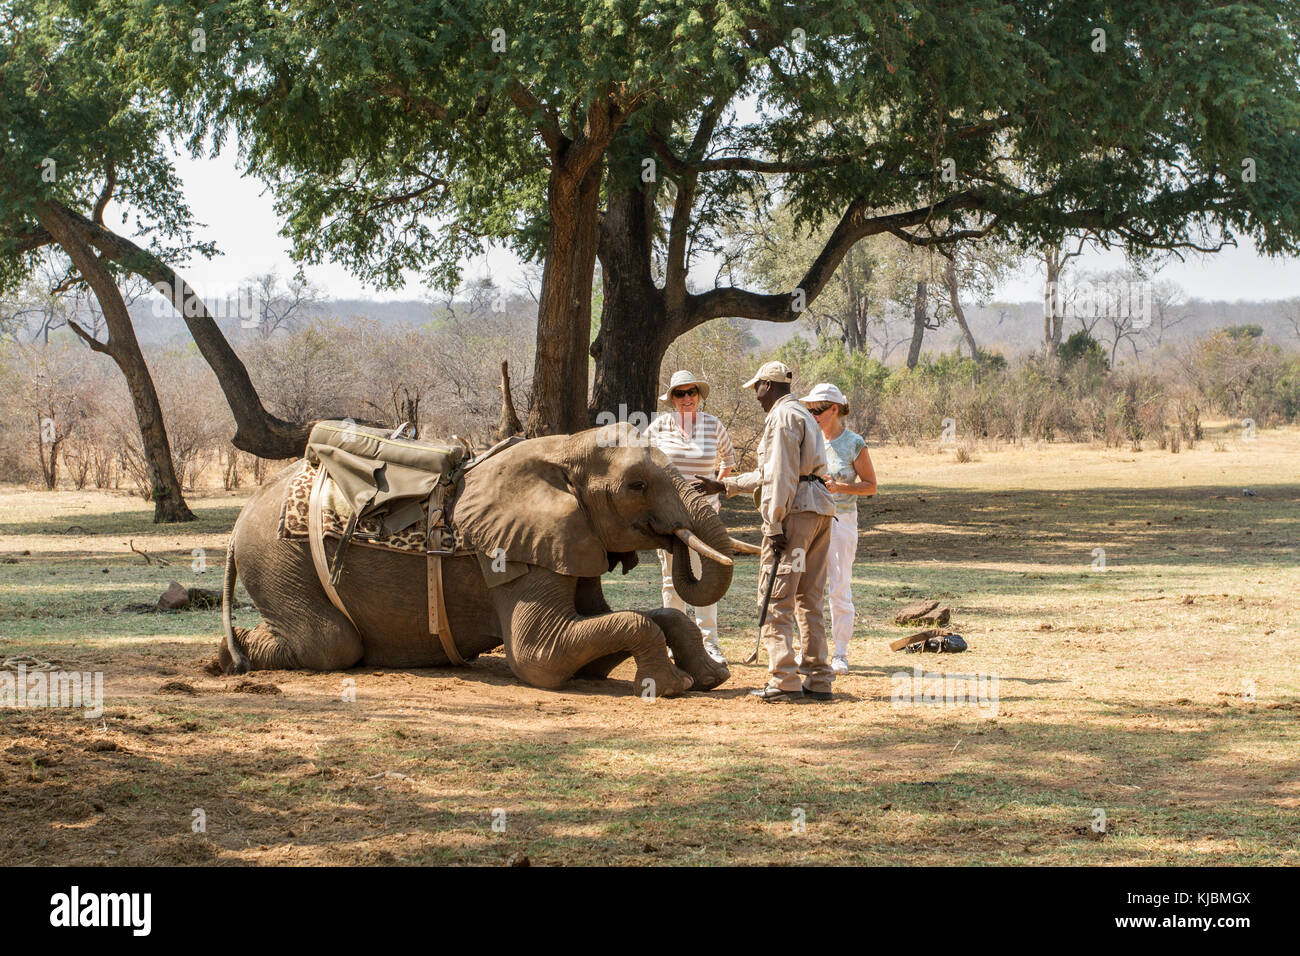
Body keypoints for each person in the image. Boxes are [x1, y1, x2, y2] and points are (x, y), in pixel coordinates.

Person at [694, 361, 836, 702]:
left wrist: (773, 523)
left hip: (794, 515)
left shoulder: (781, 417)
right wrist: (724, 485)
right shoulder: (801, 414)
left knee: (776, 598)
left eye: (756, 388)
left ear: (767, 385)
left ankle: (783, 680)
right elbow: (769, 471)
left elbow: (781, 476)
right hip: (819, 510)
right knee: (809, 598)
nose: (756, 396)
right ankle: (819, 679)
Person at [645, 370, 736, 663]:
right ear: (672, 399)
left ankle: (709, 644)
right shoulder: (659, 427)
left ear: (698, 395)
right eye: (680, 394)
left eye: (691, 392)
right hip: (670, 519)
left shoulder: (713, 425)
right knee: (672, 581)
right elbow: (641, 463)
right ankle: (676, 643)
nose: (687, 398)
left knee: (704, 579)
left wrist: (716, 489)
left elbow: (729, 462)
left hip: (705, 518)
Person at [799, 383, 877, 675]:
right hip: (810, 519)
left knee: (839, 587)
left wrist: (840, 486)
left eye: (818, 409)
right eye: (810, 409)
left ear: (835, 409)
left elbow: (871, 486)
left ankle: (840, 653)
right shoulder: (809, 438)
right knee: (808, 588)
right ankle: (810, 651)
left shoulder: (853, 443)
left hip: (842, 521)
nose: (813, 414)